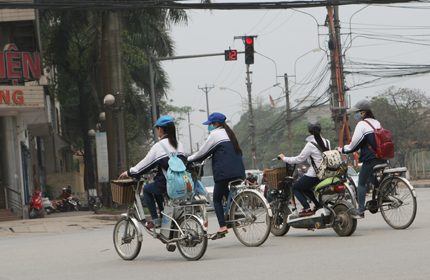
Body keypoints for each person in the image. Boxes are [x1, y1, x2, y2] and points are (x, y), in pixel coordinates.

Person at [119, 115, 187, 229]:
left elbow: (145, 164)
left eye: (157, 129)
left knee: (147, 189)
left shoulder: (159, 146)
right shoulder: (179, 144)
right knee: (156, 188)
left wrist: (130, 172)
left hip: (167, 183)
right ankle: (163, 216)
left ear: (160, 129)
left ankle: (155, 220)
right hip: (182, 182)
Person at [187, 112, 245, 238]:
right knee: (225, 192)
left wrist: (189, 159)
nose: (209, 127)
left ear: (216, 124)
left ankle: (223, 226)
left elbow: (203, 152)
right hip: (238, 170)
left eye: (210, 124)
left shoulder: (215, 134)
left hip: (225, 172)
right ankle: (234, 212)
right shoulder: (229, 134)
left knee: (216, 199)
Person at [337, 99, 387, 218]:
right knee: (370, 176)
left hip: (371, 159)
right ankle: (382, 192)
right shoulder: (377, 123)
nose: (356, 114)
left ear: (363, 112)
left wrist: (342, 150)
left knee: (361, 182)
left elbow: (354, 144)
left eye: (357, 112)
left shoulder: (362, 124)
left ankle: (360, 210)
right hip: (382, 157)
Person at [278, 119, 329, 216]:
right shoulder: (327, 142)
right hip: (326, 172)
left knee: (295, 187)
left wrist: (284, 158)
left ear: (309, 132)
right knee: (305, 188)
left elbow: (298, 159)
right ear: (320, 130)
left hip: (315, 174)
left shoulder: (310, 145)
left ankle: (306, 208)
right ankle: (317, 205)